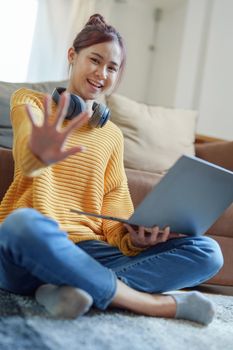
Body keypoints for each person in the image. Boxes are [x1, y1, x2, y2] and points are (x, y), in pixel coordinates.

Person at [0, 14, 223, 325]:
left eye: (112, 67)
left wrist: (138, 240)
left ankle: (61, 289)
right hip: (34, 241)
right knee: (20, 225)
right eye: (94, 59)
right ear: (72, 56)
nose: (101, 73)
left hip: (90, 250)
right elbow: (26, 154)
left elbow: (115, 220)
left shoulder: (112, 135)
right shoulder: (32, 103)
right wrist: (39, 154)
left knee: (207, 252)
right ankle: (153, 304)